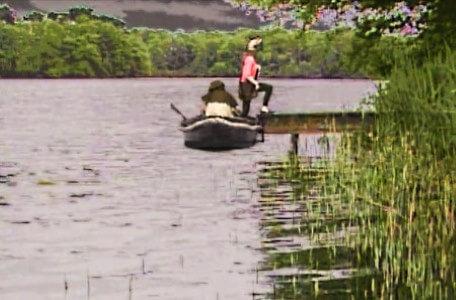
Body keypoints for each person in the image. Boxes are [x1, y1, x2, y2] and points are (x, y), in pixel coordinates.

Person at [238, 35, 273, 117]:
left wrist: (257, 67)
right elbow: (247, 75)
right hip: (247, 84)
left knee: (246, 107)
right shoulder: (249, 59)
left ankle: (264, 108)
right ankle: (263, 108)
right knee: (246, 108)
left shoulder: (249, 58)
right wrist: (256, 83)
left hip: (247, 84)